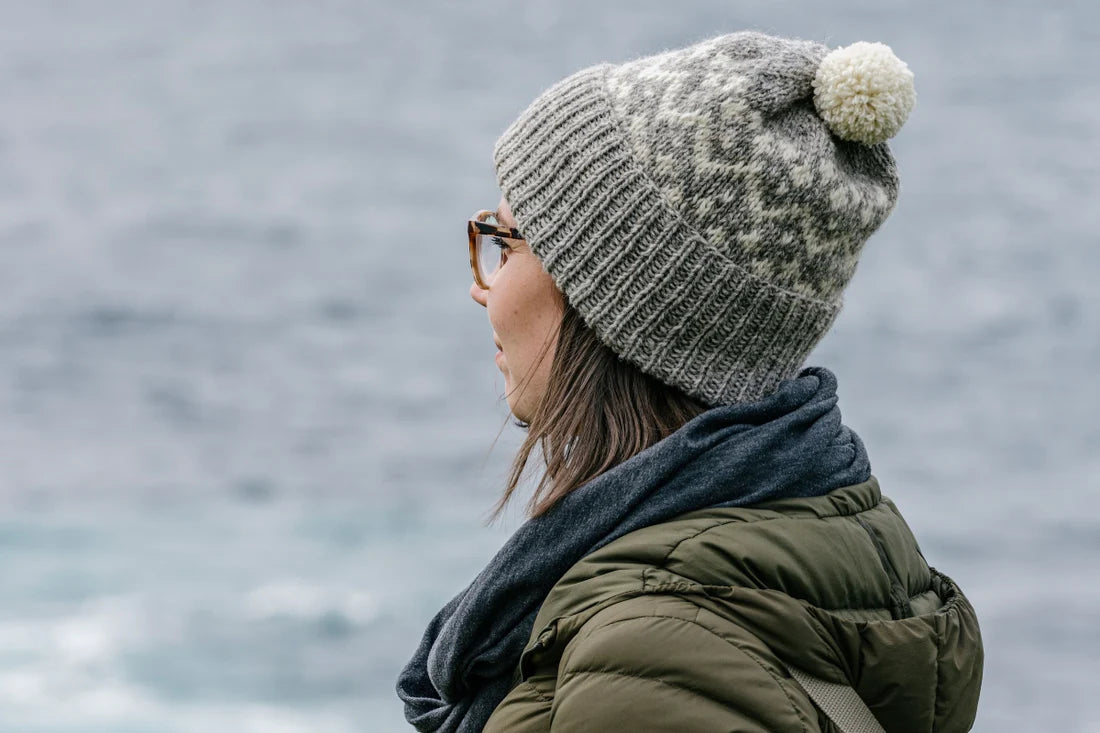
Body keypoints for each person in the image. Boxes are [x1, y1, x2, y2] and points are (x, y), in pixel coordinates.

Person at [397, 30, 984, 732]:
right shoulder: (835, 531)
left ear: (617, 304)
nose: (484, 290)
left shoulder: (647, 662)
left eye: (509, 241)